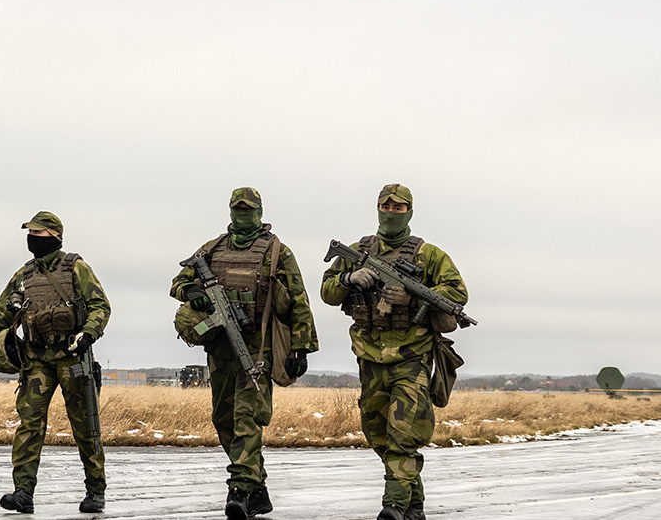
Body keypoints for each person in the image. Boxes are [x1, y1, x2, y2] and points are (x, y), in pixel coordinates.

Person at [319, 184, 468, 520]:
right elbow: (327, 291)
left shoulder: (429, 255)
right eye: (386, 205)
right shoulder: (357, 249)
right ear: (377, 209)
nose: (391, 211)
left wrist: (414, 297)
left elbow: (457, 293)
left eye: (399, 207)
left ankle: (394, 505)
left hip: (411, 357)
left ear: (409, 212)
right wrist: (349, 278)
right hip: (369, 356)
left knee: (403, 435)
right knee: (376, 433)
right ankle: (414, 503)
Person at [169, 187, 318, 519]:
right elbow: (177, 282)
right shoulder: (211, 249)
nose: (243, 214)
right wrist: (192, 291)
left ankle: (238, 490)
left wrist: (302, 346)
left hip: (257, 347)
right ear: (230, 210)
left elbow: (299, 302)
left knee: (246, 420)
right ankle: (258, 489)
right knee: (223, 419)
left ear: (260, 212)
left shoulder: (277, 252)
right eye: (238, 208)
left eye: (248, 209)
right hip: (220, 347)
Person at [0, 211, 110, 514]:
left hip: (72, 357)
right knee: (29, 423)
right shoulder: (24, 275)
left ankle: (95, 490)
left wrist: (88, 334)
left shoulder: (75, 267)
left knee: (85, 425)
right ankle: (22, 492)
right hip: (37, 358)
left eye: (38, 234)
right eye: (31, 234)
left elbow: (100, 305)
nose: (32, 239)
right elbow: (3, 313)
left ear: (54, 236)